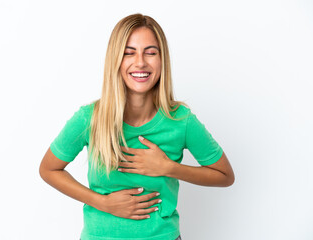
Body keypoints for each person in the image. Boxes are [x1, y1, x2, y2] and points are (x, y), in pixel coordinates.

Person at [39, 13, 235, 240]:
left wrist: (169, 168)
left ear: (162, 60)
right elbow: (49, 169)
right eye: (129, 53)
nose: (140, 62)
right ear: (116, 60)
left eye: (150, 52)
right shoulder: (90, 118)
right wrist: (103, 202)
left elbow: (225, 175)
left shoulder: (181, 120)